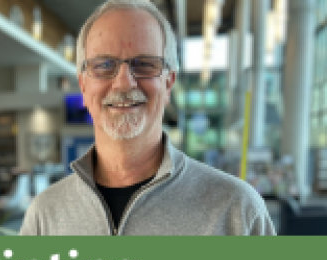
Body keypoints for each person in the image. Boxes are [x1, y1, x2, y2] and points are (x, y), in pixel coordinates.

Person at [20, 0, 276, 236]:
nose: (123, 83)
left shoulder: (236, 211)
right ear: (84, 87)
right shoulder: (45, 216)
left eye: (144, 64)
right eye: (104, 65)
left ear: (169, 83)